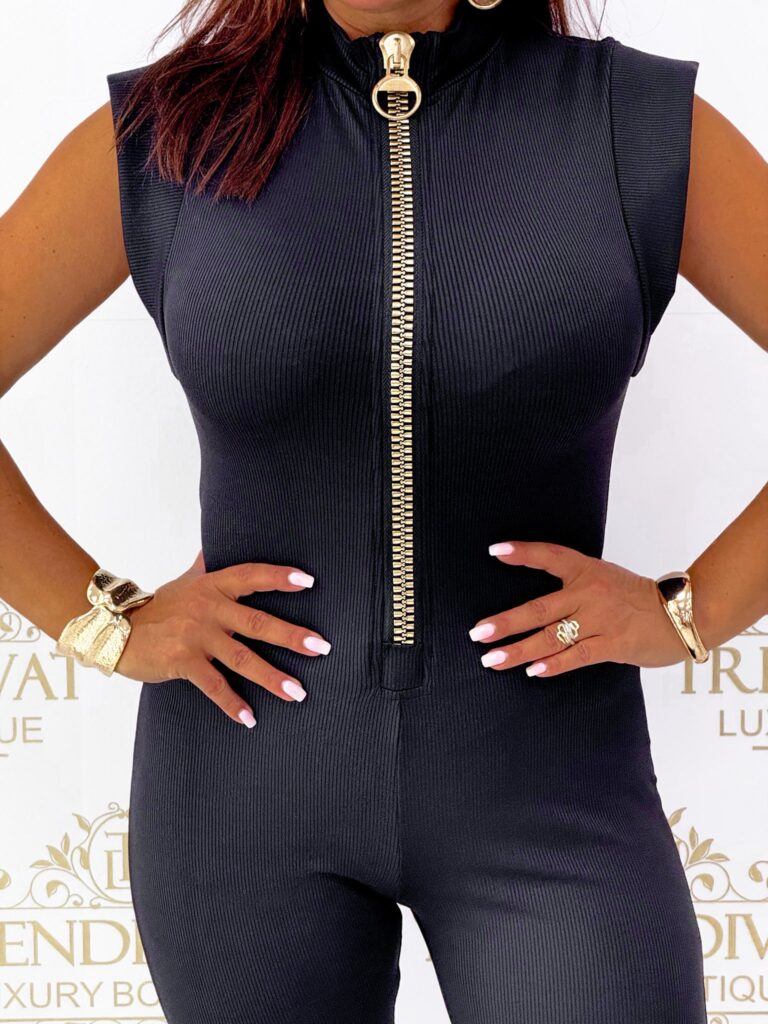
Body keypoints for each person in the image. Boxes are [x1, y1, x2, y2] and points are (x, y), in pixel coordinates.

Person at [2, 0, 767, 1020]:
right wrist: (106, 623)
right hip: (241, 794)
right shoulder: (166, 133)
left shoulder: (633, 123)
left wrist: (692, 609)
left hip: (552, 790)